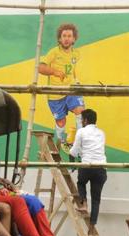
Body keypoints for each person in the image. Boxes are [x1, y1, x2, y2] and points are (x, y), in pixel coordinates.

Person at [38, 23, 85, 154]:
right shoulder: (54, 52)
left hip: (70, 90)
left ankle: (80, 142)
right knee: (60, 121)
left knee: (80, 111)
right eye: (64, 36)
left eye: (69, 36)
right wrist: (54, 72)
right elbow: (40, 68)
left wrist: (76, 80)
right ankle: (61, 141)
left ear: (74, 39)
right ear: (59, 38)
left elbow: (72, 70)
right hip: (55, 95)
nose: (66, 38)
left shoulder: (76, 54)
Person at [69, 109, 106, 236]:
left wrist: (72, 164)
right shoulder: (101, 133)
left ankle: (84, 204)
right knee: (96, 199)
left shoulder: (81, 131)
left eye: (81, 120)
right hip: (101, 168)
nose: (81, 122)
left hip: (87, 166)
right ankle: (91, 230)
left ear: (85, 120)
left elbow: (73, 152)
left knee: (81, 183)